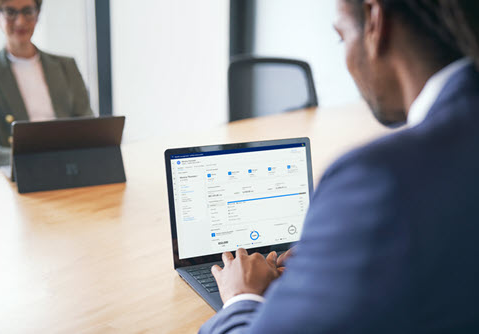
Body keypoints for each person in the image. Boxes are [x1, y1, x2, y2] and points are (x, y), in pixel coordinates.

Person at [200, 0, 479, 333]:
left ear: (374, 21)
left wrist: (240, 297)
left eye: (341, 36)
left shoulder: (377, 179)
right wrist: (339, 246)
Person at [0, 0, 92, 168]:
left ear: (37, 14)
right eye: (10, 12)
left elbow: (87, 125)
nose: (20, 21)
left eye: (28, 11)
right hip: (21, 171)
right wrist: (15, 159)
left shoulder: (66, 65)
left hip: (70, 165)